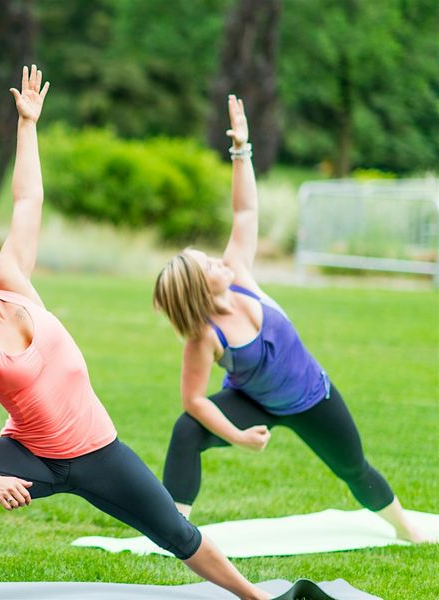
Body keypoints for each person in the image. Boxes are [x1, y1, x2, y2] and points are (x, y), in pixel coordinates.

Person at [0, 66, 269, 600]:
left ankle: (255, 597)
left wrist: (27, 126)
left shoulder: (12, 283)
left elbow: (28, 202)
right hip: (36, 460)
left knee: (177, 532)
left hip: (100, 451)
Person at [152, 95, 433, 543]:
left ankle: (407, 530)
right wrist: (239, 437)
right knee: (188, 432)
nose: (218, 261)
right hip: (253, 401)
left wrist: (241, 150)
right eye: (208, 265)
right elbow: (195, 402)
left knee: (354, 468)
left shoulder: (240, 275)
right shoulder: (204, 337)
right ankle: (172, 530)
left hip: (310, 397)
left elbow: (245, 212)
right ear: (199, 290)